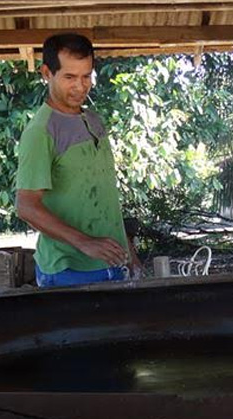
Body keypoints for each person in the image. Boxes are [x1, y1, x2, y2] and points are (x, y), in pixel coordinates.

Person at [15, 33, 140, 288]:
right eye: (70, 77)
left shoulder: (94, 120)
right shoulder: (41, 131)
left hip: (111, 263)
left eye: (86, 76)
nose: (80, 86)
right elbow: (26, 206)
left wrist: (129, 253)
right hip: (68, 270)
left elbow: (104, 198)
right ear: (47, 73)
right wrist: (85, 242)